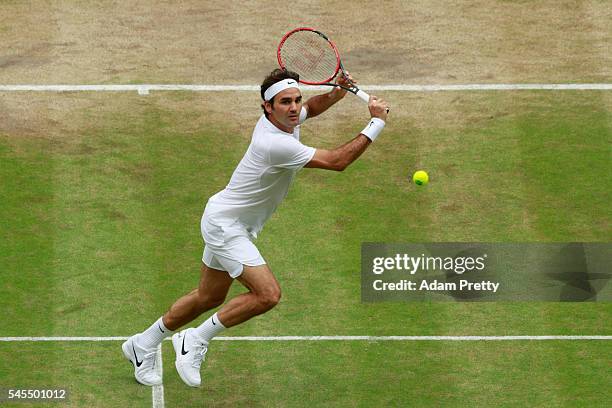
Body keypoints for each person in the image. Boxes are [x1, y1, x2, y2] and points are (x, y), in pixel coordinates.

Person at [122, 68, 389, 387]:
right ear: (267, 107)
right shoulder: (274, 143)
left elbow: (311, 110)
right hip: (226, 227)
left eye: (295, 100)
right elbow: (336, 161)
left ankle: (143, 343)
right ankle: (194, 339)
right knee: (267, 294)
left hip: (228, 219)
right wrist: (376, 122)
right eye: (284, 102)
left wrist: (337, 93)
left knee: (208, 297)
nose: (294, 108)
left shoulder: (283, 121)